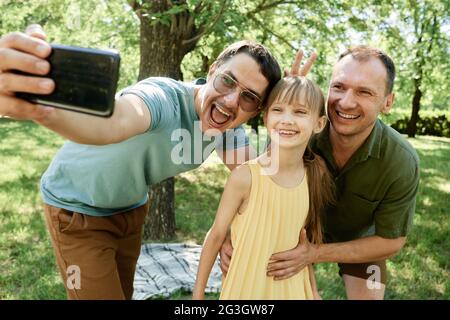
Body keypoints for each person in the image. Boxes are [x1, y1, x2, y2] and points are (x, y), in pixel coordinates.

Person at [0, 25, 318, 299]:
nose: (231, 100)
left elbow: (264, 178)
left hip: (130, 211)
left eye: (250, 97)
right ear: (211, 72)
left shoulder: (227, 129)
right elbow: (114, 121)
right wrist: (42, 109)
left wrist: (287, 106)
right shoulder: (163, 98)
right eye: (227, 81)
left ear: (256, 110)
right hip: (76, 211)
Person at [221, 45, 420, 300]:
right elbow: (261, 180)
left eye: (364, 92)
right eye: (339, 87)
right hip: (292, 232)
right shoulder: (302, 128)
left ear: (387, 102)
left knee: (370, 296)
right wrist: (286, 98)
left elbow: (391, 242)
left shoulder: (400, 161)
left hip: (359, 245)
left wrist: (314, 253)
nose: (346, 101)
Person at [192, 76, 335, 300]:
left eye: (300, 112)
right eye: (278, 109)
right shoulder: (245, 177)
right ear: (266, 117)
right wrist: (198, 296)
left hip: (293, 290)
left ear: (319, 123)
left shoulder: (314, 176)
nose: (287, 119)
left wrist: (314, 293)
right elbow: (216, 235)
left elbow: (303, 244)